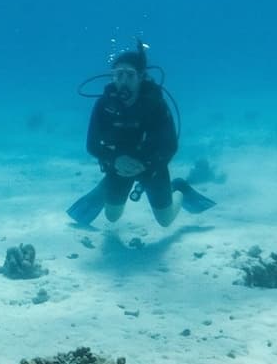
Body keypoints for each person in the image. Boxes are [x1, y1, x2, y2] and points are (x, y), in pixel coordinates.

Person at [70, 43, 210, 227]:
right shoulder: (104, 105)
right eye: (118, 74)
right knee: (112, 217)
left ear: (141, 77)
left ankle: (178, 188)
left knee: (165, 221)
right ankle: (105, 186)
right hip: (118, 166)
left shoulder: (155, 105)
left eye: (129, 75)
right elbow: (92, 145)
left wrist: (146, 165)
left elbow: (170, 146)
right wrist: (115, 159)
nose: (123, 80)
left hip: (153, 166)